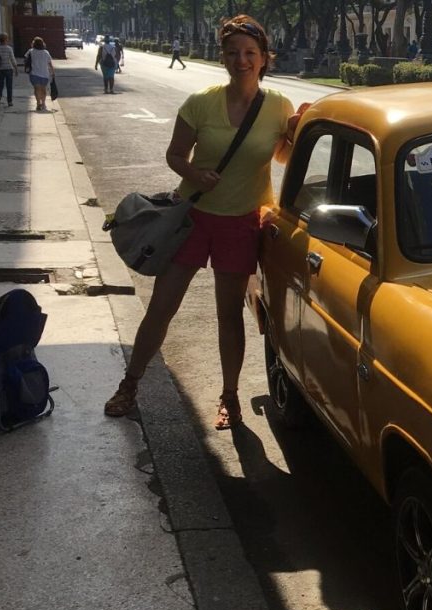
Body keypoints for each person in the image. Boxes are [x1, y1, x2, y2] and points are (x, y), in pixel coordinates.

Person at [104, 15, 306, 430]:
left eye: (250, 53)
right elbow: (175, 155)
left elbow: (282, 159)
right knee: (162, 308)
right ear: (223, 57)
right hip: (193, 219)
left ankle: (229, 397)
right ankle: (130, 384)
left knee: (228, 316)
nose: (241, 60)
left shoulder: (278, 106)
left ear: (264, 59)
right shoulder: (200, 102)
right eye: (233, 53)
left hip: (242, 223)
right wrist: (195, 174)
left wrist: (295, 132)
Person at [24, 37, 54, 111]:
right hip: (45, 74)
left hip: (34, 73)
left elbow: (25, 59)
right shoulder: (46, 52)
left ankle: (38, 103)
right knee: (43, 89)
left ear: (33, 43)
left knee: (37, 89)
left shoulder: (30, 51)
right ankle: (43, 103)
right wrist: (52, 72)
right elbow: (50, 63)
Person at [0, 33, 19, 107]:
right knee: (9, 85)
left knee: (0, 85)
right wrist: (16, 68)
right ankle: (10, 101)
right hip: (8, 68)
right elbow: (12, 59)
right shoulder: (9, 48)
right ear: (6, 39)